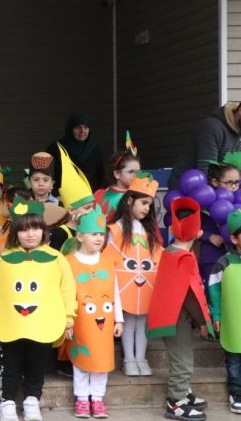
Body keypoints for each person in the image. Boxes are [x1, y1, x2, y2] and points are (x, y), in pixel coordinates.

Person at [0, 200, 76, 421]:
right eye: (24, 229)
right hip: (11, 322)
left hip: (42, 322)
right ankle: (7, 402)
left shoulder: (56, 258)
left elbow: (67, 289)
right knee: (11, 363)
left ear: (44, 230)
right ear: (16, 232)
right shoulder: (3, 259)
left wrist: (68, 317)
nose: (30, 234)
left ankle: (32, 400)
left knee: (37, 364)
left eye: (35, 228)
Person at [147, 197, 213, 421]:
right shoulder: (183, 257)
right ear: (198, 232)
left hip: (172, 317)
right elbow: (191, 295)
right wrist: (202, 321)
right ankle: (176, 401)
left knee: (181, 357)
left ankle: (184, 393)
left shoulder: (169, 252)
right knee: (183, 361)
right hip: (176, 319)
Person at [62, 211, 123, 418]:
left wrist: (119, 319)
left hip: (104, 322)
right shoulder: (69, 262)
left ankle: (97, 398)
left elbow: (115, 291)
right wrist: (67, 321)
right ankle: (81, 398)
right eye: (93, 234)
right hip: (80, 321)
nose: (99, 238)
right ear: (80, 236)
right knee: (81, 358)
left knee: (101, 359)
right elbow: (65, 293)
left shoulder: (108, 261)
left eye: (101, 234)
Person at [106, 172, 162, 377]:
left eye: (150, 205)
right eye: (144, 203)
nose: (147, 208)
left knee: (143, 322)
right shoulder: (115, 229)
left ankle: (141, 358)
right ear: (130, 201)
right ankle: (129, 359)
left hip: (146, 283)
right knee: (128, 321)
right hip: (124, 284)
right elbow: (109, 257)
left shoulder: (149, 231)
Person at [208, 210, 241, 414]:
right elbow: (214, 291)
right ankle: (236, 393)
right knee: (234, 359)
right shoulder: (224, 262)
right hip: (233, 322)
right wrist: (216, 315)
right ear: (234, 239)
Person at [170, 101, 241, 189]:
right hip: (187, 190)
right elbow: (206, 170)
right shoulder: (212, 128)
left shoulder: (238, 132)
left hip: (224, 190)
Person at [198, 158, 241, 286]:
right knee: (214, 291)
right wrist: (209, 236)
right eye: (229, 183)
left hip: (235, 257)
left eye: (237, 182)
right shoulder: (204, 201)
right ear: (215, 182)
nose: (234, 186)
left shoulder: (238, 200)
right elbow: (189, 229)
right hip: (211, 257)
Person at [46, 112, 105, 192]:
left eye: (86, 127)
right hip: (64, 195)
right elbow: (48, 174)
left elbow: (101, 175)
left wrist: (99, 194)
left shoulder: (96, 149)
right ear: (70, 129)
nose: (82, 131)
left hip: (91, 195)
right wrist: (55, 194)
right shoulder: (56, 148)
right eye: (78, 127)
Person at [95, 134, 142, 222]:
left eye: (138, 172)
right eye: (131, 172)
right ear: (117, 174)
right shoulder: (99, 195)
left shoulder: (142, 196)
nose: (136, 176)